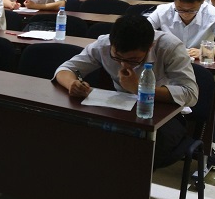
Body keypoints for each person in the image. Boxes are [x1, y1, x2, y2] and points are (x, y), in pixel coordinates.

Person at [54, 15, 198, 170]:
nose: (124, 65)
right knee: (86, 135)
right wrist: (72, 84)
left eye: (133, 59)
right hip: (121, 109)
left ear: (150, 46)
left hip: (163, 114)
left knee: (140, 149)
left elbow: (190, 93)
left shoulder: (169, 47)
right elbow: (65, 69)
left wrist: (140, 89)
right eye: (116, 57)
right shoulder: (104, 44)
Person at [147, 0, 215, 167]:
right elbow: (141, 32)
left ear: (202, 2)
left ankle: (209, 143)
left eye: (191, 10)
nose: (185, 14)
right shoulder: (163, 11)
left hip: (199, 70)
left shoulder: (213, 14)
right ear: (174, 0)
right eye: (180, 9)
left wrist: (204, 51)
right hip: (167, 69)